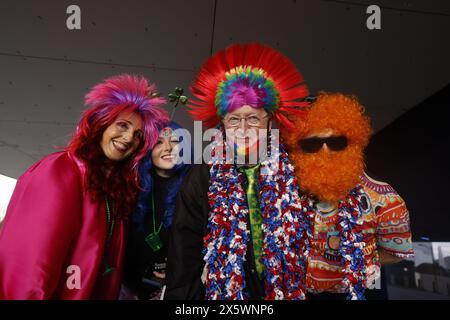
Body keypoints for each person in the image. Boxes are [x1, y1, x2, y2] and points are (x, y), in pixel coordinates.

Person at [0, 74, 169, 299]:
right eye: (122, 125)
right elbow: (28, 262)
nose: (128, 138)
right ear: (101, 123)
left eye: (138, 135)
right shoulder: (61, 170)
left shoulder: (112, 190)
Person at [165, 43, 312, 300]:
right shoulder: (203, 175)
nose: (242, 128)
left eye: (253, 118)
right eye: (234, 119)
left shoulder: (296, 170)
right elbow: (183, 250)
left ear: (270, 122)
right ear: (222, 123)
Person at [281, 92, 414, 300]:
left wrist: (361, 259)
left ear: (352, 142)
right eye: (312, 144)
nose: (325, 150)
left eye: (336, 142)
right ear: (296, 148)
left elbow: (396, 253)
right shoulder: (282, 194)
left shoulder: (384, 198)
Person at [121, 122, 191, 300]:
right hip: (131, 286)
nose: (168, 148)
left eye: (175, 142)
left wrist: (177, 270)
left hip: (180, 287)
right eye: (159, 142)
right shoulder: (132, 187)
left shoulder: (195, 188)